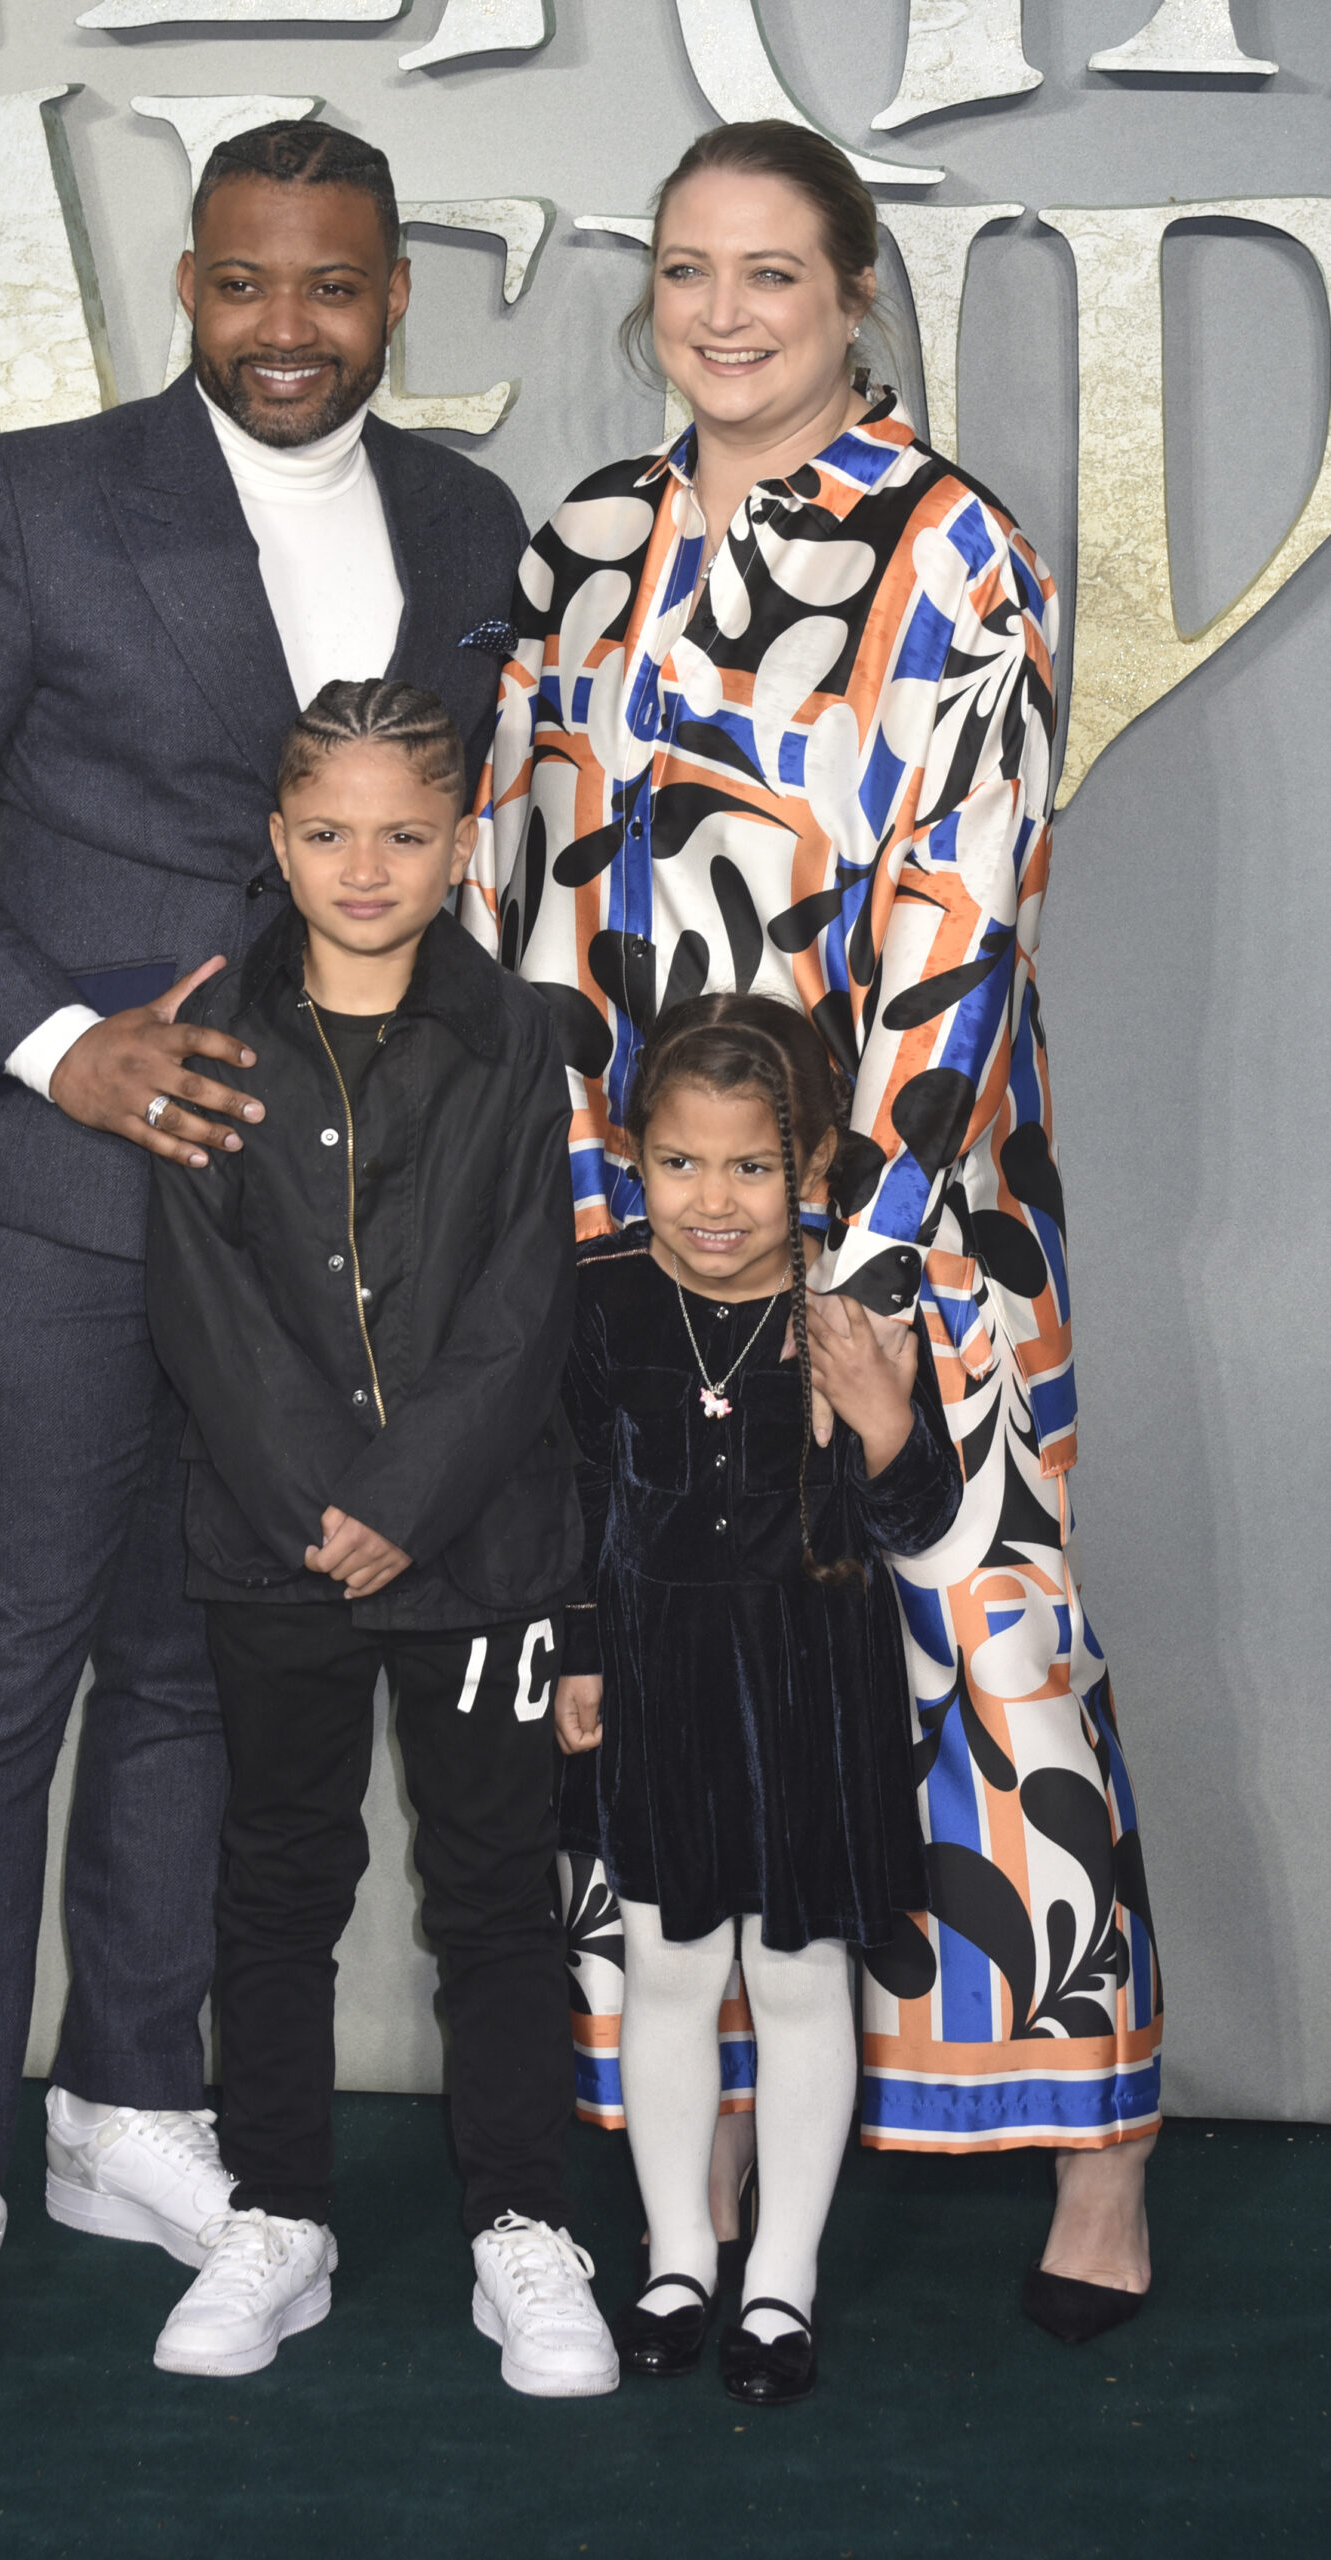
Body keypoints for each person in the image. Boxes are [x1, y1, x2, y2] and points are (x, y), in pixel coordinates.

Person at [0, 119, 528, 2401]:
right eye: (242, 285)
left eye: (331, 286)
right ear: (188, 289)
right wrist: (49, 1045)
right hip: (47, 1186)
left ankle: (128, 2108)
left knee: (203, 1674)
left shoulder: (465, 525)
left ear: (395, 293)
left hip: (313, 1240)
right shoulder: (36, 496)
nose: (286, 328)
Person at [465, 117, 1161, 2344]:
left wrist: (860, 1262)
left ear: (852, 289)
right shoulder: (577, 544)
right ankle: (725, 2123)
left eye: (772, 271)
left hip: (898, 1223)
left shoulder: (958, 550)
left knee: (976, 1647)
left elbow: (971, 902)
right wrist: (537, 1210)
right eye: (686, 269)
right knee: (673, 1659)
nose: (725, 310)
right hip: (627, 1233)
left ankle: (1101, 2140)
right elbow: (511, 879)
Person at [142, 679, 618, 2399]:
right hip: (275, 1556)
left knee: (494, 1894)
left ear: (464, 844)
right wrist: (317, 1509)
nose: (366, 865)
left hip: (479, 1552)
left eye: (406, 834)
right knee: (278, 1880)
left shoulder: (521, 1043)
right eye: (328, 832)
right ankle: (278, 2214)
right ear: (278, 843)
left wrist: (405, 1505)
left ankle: (520, 2226)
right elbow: (202, 1302)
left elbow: (521, 1305)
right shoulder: (206, 1035)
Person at [556, 995, 959, 2399]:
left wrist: (890, 1417)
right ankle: (680, 2253)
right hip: (661, 1677)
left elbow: (917, 1515)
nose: (712, 1202)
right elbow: (573, 1497)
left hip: (811, 1682)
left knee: (798, 1979)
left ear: (813, 1172)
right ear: (633, 1156)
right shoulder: (603, 1300)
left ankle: (779, 2280)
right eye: (678, 1164)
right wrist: (582, 1651)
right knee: (665, 1970)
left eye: (748, 1169)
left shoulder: (856, 1314)